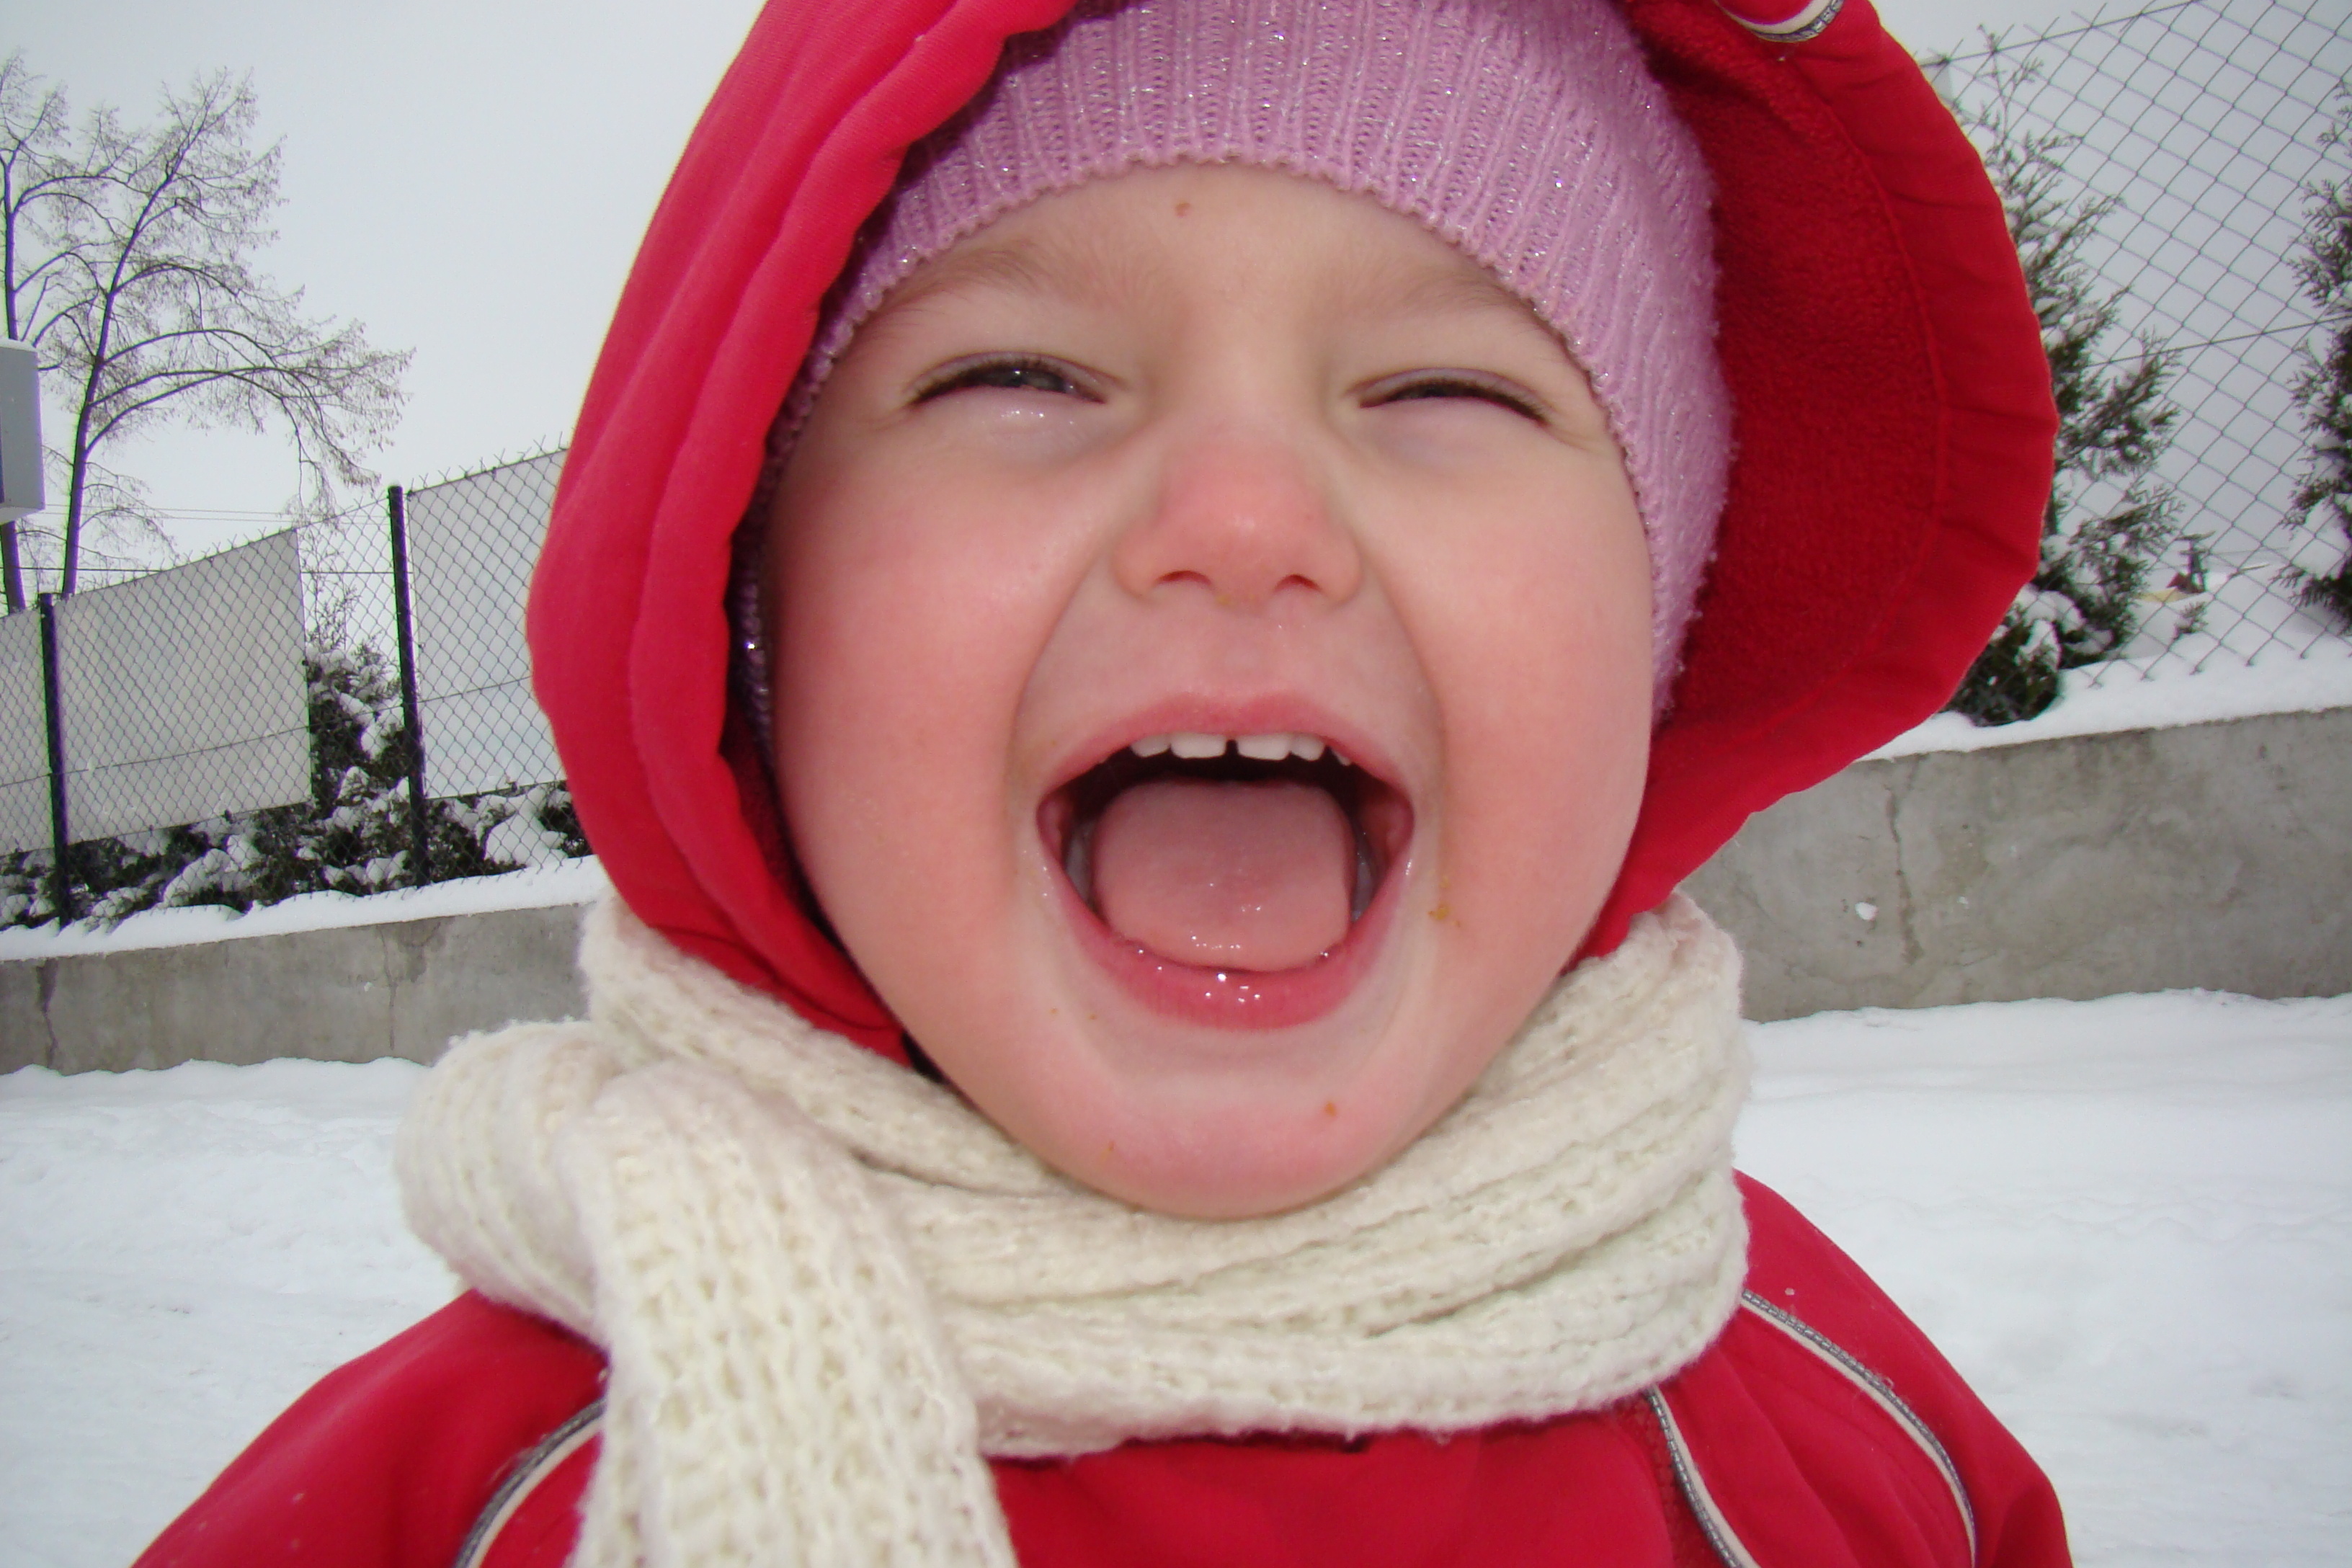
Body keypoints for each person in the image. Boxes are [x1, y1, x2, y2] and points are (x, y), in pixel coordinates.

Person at [135, 0, 2073, 1562]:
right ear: (753, 617)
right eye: (1021, 377)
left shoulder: (1852, 1445)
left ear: (1656, 638)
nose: (1242, 520)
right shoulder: (465, 1515)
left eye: (1447, 389)